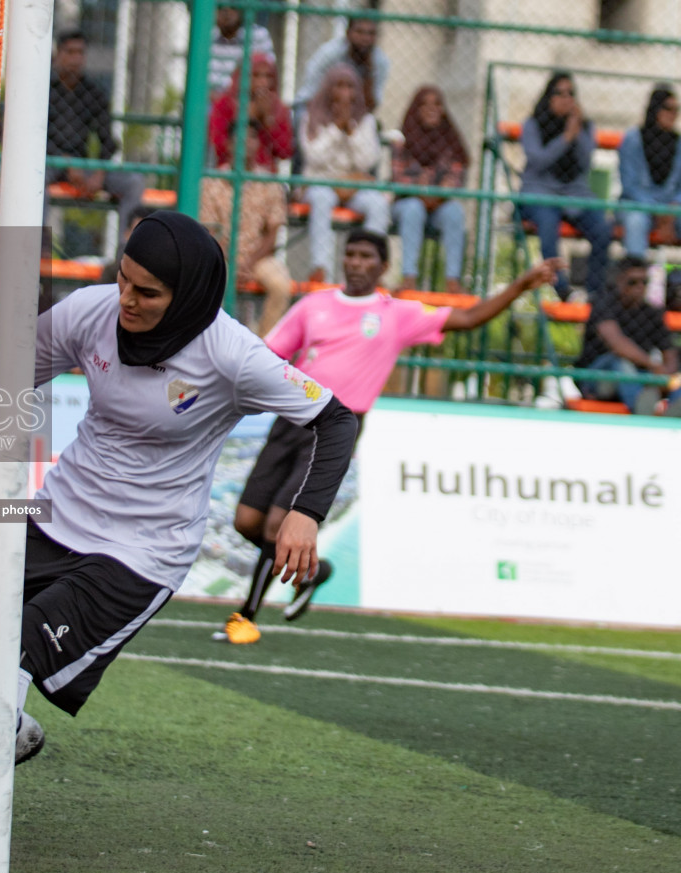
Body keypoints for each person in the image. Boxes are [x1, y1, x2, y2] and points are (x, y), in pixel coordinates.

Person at [0, 212, 359, 854]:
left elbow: (335, 421)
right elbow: (3, 381)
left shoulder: (233, 355)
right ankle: (5, 727)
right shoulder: (89, 313)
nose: (128, 300)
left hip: (140, 555)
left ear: (188, 297)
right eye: (124, 280)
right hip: (55, 518)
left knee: (14, 651)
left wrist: (305, 512)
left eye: (148, 293)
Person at [220, 231, 561, 644]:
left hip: (336, 428)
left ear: (383, 267)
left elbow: (469, 319)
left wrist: (521, 285)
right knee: (247, 521)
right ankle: (313, 571)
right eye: (350, 254)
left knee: (278, 523)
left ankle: (245, 618)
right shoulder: (314, 305)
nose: (357, 263)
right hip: (290, 419)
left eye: (366, 256)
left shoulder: (396, 314)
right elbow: (271, 354)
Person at [200, 52, 294, 335]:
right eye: (256, 75)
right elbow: (210, 231)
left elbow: (285, 150)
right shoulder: (213, 181)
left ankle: (263, 349)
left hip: (257, 255)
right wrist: (232, 259)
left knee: (281, 285)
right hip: (224, 254)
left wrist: (266, 118)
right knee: (211, 280)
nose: (262, 82)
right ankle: (213, 343)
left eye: (268, 76)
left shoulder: (270, 181)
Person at [520, 72, 613, 300]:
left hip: (574, 194)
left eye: (571, 93)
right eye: (559, 93)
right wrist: (565, 138)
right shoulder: (533, 124)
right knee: (548, 223)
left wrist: (577, 132)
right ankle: (562, 288)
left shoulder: (583, 127)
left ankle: (594, 292)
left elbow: (585, 161)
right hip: (541, 193)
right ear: (548, 97)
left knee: (602, 227)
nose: (565, 98)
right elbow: (538, 161)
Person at [46, 30, 145, 238]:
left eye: (80, 53)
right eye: (70, 52)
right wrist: (64, 161)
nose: (75, 59)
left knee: (134, 182)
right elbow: (34, 137)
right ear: (57, 54)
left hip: (83, 166)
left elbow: (108, 140)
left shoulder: (92, 92)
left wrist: (100, 170)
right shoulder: (44, 88)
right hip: (48, 161)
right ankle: (36, 247)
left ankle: (125, 253)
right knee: (32, 181)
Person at [299, 63, 390, 283]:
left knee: (377, 203)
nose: (345, 93)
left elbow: (366, 160)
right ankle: (321, 269)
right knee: (322, 198)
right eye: (339, 86)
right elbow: (313, 157)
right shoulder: (312, 116)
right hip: (320, 183)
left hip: (353, 186)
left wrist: (350, 132)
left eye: (350, 86)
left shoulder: (365, 121)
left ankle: (369, 269)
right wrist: (335, 130)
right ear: (329, 88)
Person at [391, 86, 470, 294]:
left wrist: (435, 193)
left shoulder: (451, 142)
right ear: (415, 109)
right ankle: (409, 278)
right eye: (425, 104)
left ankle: (453, 281)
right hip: (408, 204)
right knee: (413, 208)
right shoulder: (403, 140)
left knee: (455, 211)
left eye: (437, 103)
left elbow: (455, 179)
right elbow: (399, 179)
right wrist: (425, 191)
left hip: (439, 205)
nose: (431, 108)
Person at [573, 256, 678, 413]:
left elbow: (669, 352)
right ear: (619, 281)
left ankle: (674, 411)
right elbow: (617, 344)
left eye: (645, 282)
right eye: (633, 282)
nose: (640, 287)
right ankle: (640, 405)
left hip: (639, 375)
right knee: (620, 362)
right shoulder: (604, 303)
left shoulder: (652, 312)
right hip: (597, 376)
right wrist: (654, 366)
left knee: (672, 379)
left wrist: (665, 375)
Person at [616, 85, 681, 258]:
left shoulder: (678, 142)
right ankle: (636, 276)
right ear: (655, 109)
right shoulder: (634, 139)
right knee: (636, 221)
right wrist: (657, 210)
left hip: (670, 210)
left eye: (677, 109)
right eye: (668, 108)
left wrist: (672, 208)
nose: (673, 114)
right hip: (638, 204)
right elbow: (630, 186)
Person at [294, 17, 391, 116]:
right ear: (348, 33)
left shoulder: (380, 61)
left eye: (371, 33)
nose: (365, 38)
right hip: (317, 107)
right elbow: (311, 95)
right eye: (359, 32)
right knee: (301, 115)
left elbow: (371, 106)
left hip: (353, 114)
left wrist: (368, 71)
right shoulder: (329, 54)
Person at [207, 0, 275, 94]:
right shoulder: (208, 37)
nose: (226, 12)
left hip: (246, 99)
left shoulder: (258, 36)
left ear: (242, 9)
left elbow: (268, 76)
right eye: (221, 7)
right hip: (212, 102)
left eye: (232, 6)